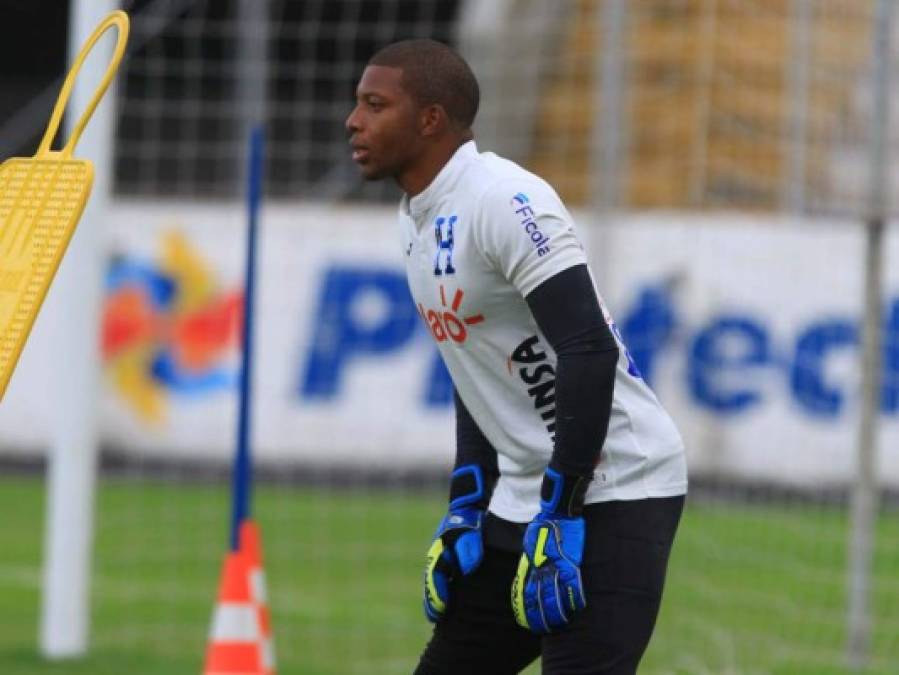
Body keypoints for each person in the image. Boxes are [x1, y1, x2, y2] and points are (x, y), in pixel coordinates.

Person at [345, 38, 687, 675]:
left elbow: (586, 347)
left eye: (374, 104)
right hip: (524, 495)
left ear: (431, 120)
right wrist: (468, 501)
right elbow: (473, 363)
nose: (353, 121)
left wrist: (562, 508)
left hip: (616, 488)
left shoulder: (504, 199)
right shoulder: (413, 218)